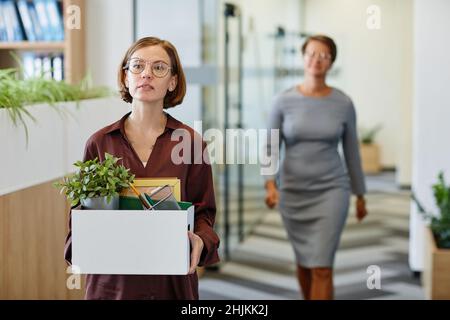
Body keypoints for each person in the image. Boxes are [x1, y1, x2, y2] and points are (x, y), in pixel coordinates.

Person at [64, 36, 220, 300]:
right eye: (137, 66)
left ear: (172, 81)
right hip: (113, 285)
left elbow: (204, 213)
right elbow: (81, 213)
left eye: (159, 68)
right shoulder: (100, 143)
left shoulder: (191, 143)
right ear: (125, 77)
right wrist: (82, 241)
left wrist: (201, 240)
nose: (146, 73)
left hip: (170, 284)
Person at [264, 35, 368, 300]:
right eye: (311, 54)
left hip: (332, 189)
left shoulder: (343, 103)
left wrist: (360, 195)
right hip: (294, 191)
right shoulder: (282, 101)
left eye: (323, 56)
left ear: (331, 62)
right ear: (302, 57)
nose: (316, 60)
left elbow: (352, 151)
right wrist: (269, 183)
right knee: (305, 262)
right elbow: (270, 147)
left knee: (322, 265)